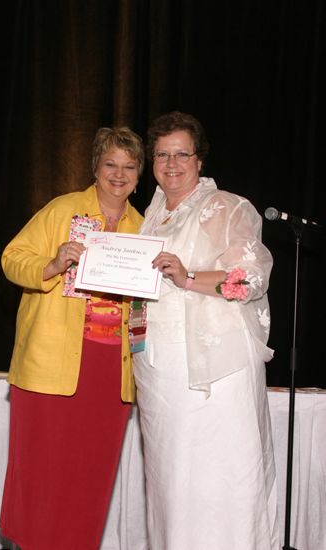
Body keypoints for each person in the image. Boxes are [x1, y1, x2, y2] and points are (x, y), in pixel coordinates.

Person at [133, 111, 280, 549]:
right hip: (159, 369)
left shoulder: (227, 207)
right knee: (170, 480)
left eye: (182, 153)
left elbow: (251, 278)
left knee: (218, 476)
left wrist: (189, 276)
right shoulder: (153, 213)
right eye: (162, 154)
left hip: (212, 372)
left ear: (200, 159)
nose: (171, 163)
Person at [0, 126, 146, 550]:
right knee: (42, 469)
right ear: (96, 168)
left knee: (91, 472)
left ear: (139, 175)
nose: (119, 174)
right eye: (110, 164)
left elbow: (142, 307)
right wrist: (52, 263)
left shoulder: (145, 226)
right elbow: (11, 258)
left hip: (112, 369)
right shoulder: (63, 209)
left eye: (129, 166)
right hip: (52, 362)